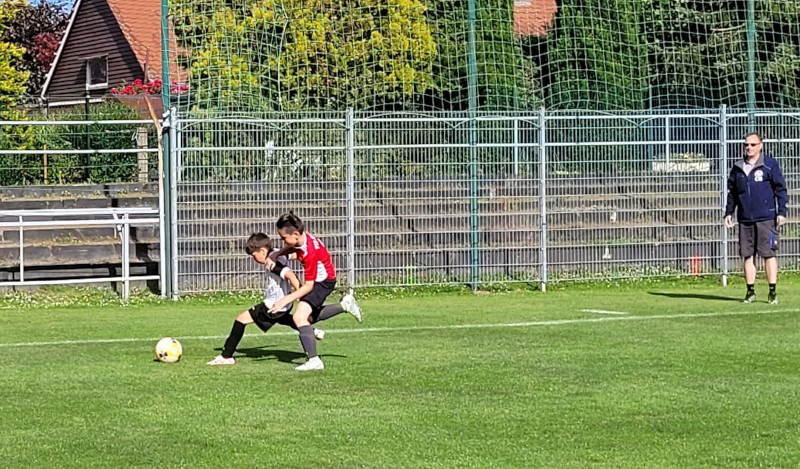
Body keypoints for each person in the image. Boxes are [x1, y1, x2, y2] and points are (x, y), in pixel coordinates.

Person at [207, 233, 325, 365]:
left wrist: (301, 294)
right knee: (283, 319)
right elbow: (294, 255)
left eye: (254, 255)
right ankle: (310, 330)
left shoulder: (272, 263)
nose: (254, 259)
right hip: (284, 305)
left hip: (274, 304)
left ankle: (226, 356)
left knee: (240, 320)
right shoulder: (277, 253)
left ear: (262, 251)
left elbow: (290, 275)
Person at [266, 212, 363, 371]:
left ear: (296, 234)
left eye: (284, 238)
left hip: (323, 282)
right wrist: (278, 253)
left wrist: (285, 300)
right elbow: (294, 248)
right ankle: (345, 305)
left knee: (299, 317)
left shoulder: (309, 252)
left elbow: (308, 286)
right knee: (307, 318)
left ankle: (314, 360)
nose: (283, 242)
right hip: (322, 280)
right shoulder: (302, 238)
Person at [724, 132, 788, 304]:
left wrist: (781, 212)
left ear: (760, 145)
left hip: (766, 218)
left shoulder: (769, 165)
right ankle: (750, 291)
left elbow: (780, 189)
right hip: (745, 219)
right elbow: (733, 194)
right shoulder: (738, 168)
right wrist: (728, 213)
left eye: (752, 144)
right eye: (746, 145)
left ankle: (772, 291)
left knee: (768, 254)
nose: (749, 148)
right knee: (747, 255)